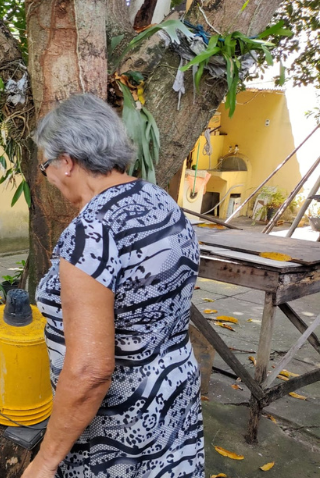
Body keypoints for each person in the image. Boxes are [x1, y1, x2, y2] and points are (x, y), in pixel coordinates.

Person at [21, 94, 204, 478]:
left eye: (46, 166)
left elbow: (90, 370)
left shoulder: (92, 233)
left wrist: (46, 460)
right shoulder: (159, 201)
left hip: (116, 427)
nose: (49, 178)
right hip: (171, 397)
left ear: (67, 162)